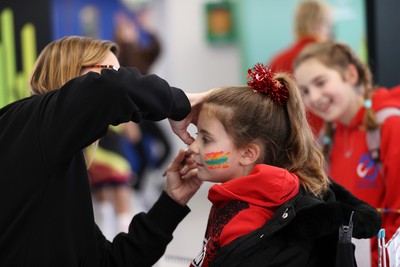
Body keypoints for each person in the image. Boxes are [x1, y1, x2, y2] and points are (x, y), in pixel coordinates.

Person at [0, 35, 208, 266]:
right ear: (72, 71)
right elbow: (115, 89)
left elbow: (110, 262)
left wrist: (171, 201)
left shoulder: (63, 159)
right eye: (110, 71)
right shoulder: (26, 121)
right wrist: (181, 103)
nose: (120, 79)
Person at [187, 63, 381, 267]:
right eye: (196, 135)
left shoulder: (248, 222)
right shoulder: (230, 197)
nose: (192, 147)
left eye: (205, 139)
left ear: (247, 153)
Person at [293, 40, 400, 267]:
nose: (313, 98)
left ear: (351, 74)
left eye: (320, 82)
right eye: (305, 91)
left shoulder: (390, 127)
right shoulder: (327, 141)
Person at [268, 0, 333, 134]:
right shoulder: (330, 55)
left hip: (292, 137)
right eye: (328, 25)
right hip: (327, 135)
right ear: (320, 23)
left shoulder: (278, 59)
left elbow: (271, 108)